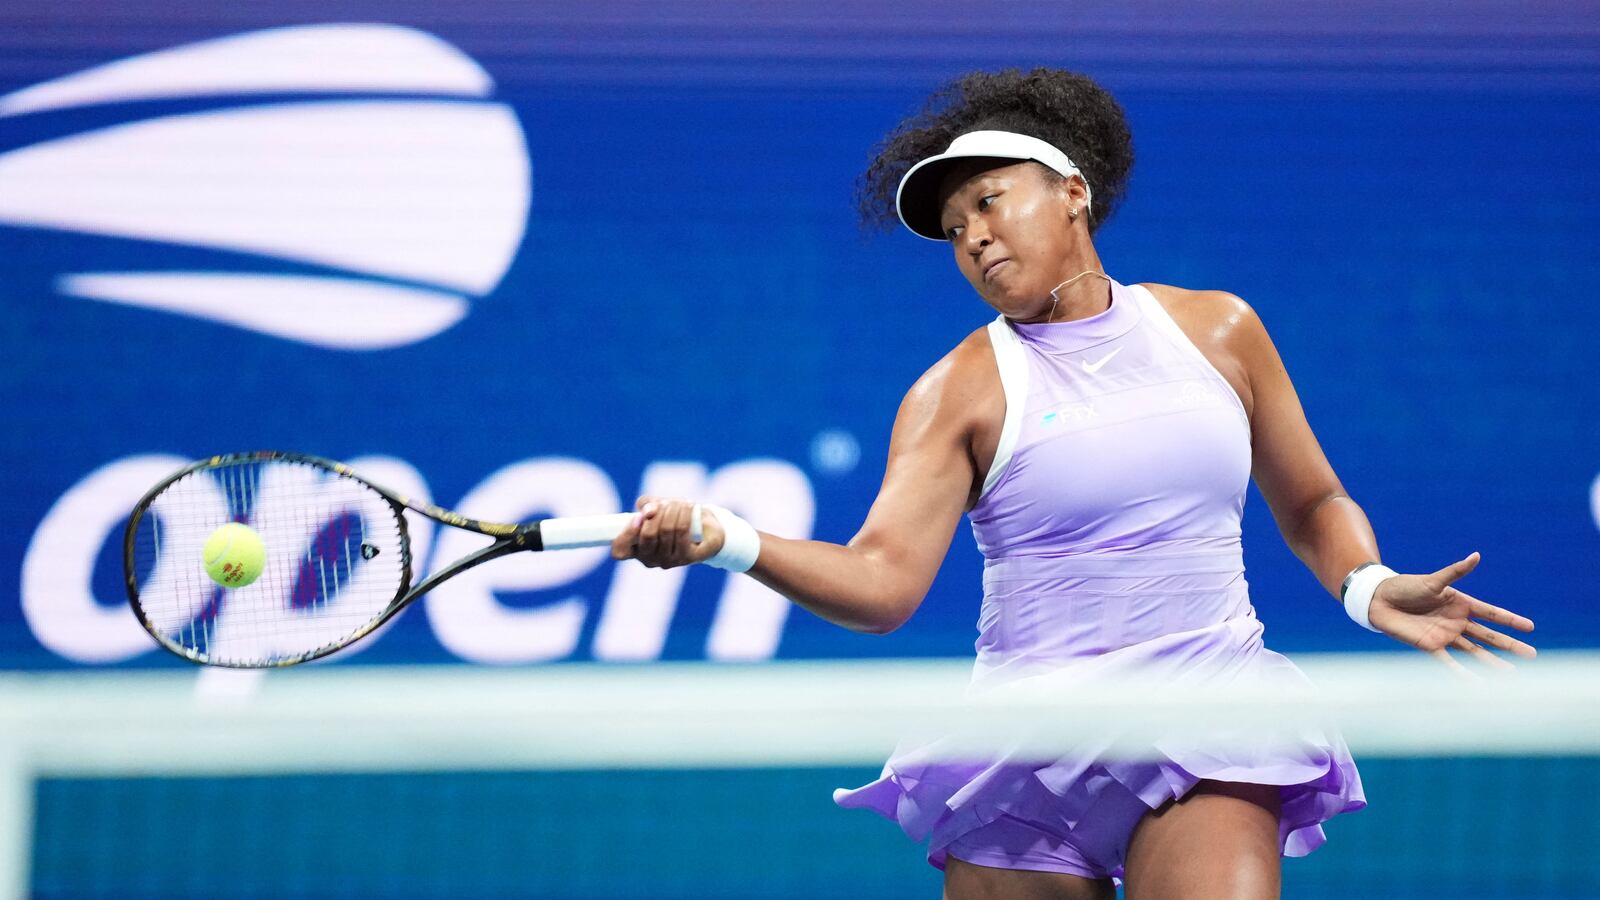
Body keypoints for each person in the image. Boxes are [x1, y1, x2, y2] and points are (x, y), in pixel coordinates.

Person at [609, 67, 1538, 899]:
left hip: (1208, 705)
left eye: (988, 202)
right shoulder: (955, 392)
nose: (973, 238)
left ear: (1072, 192)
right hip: (1030, 742)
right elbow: (882, 583)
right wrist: (727, 541)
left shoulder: (1218, 331)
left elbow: (1313, 501)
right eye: (954, 230)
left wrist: (1366, 585)